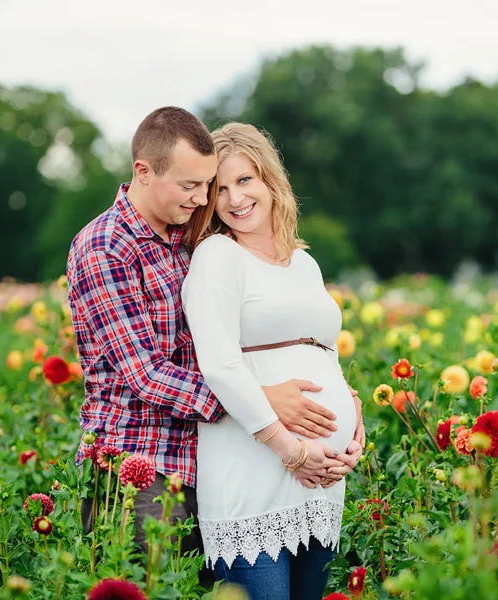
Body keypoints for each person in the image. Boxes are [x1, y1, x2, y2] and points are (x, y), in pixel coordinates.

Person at [65, 107, 364, 573]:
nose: (205, 197)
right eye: (194, 186)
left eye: (209, 184)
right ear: (143, 172)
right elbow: (145, 373)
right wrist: (261, 400)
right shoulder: (106, 246)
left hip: (210, 456)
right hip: (140, 467)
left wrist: (341, 398)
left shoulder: (187, 235)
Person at [180, 122, 362, 600]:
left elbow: (325, 349)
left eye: (245, 181)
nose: (235, 199)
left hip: (321, 477)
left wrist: (354, 419)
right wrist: (292, 451)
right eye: (220, 189)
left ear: (270, 181)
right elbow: (218, 366)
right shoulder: (217, 256)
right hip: (255, 468)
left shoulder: (303, 262)